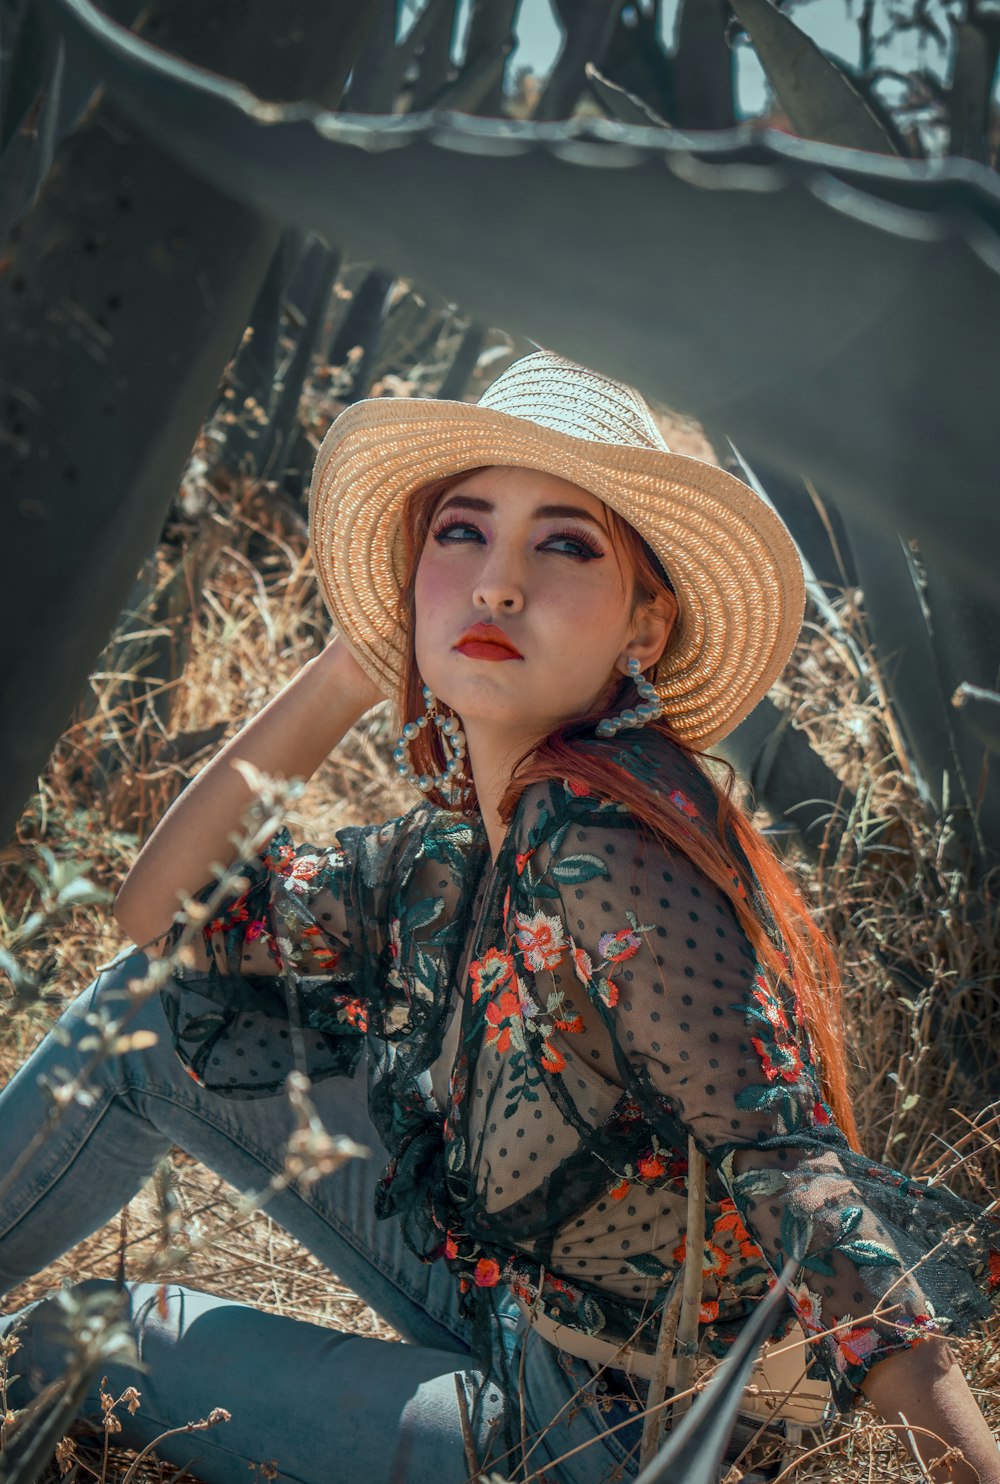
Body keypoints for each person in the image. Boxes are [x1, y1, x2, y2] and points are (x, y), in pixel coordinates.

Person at [2, 351, 998, 1484]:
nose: (498, 583)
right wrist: (348, 667)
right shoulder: (465, 844)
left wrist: (966, 1460)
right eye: (460, 534)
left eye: (565, 544)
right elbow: (159, 918)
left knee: (68, 1337)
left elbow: (780, 1161)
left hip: (604, 1435)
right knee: (146, 1010)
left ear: (647, 626)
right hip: (512, 1298)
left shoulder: (604, 838)